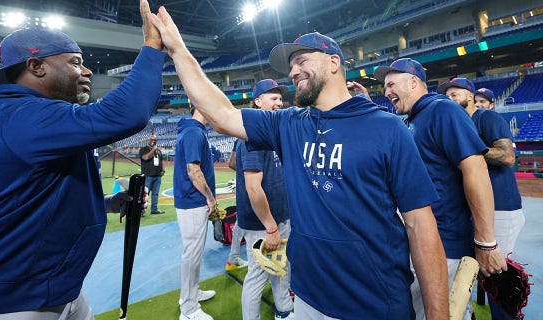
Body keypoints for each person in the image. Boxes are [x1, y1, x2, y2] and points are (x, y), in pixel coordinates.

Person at [150, 10, 448, 318]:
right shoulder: (289, 123)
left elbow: (421, 226)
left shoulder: (387, 128)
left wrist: (438, 314)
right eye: (290, 67)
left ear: (334, 63)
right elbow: (222, 115)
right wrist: (177, 49)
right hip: (306, 298)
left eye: (302, 61)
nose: (293, 71)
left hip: (373, 302)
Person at [0, 1, 165, 318]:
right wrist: (153, 47)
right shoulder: (21, 113)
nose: (86, 71)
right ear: (36, 66)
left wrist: (109, 202)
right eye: (75, 62)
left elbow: (40, 195)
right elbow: (127, 113)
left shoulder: (35, 117)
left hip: (47, 288)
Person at [373, 60, 507, 320]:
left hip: (446, 246)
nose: (386, 91)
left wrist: (486, 242)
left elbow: (476, 170)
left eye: (391, 84)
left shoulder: (443, 110)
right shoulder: (414, 118)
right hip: (425, 242)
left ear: (413, 81)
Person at [437, 78, 525, 320]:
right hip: (475, 209)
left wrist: (468, 151)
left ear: (471, 96)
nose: (450, 99)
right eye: (447, 95)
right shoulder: (457, 124)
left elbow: (507, 157)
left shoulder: (487, 118)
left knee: (495, 274)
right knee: (473, 270)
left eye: (455, 94)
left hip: (501, 209)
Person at [235, 79, 293, 320]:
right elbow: (253, 188)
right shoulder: (254, 136)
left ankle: (284, 311)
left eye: (280, 98)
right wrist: (270, 228)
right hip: (263, 225)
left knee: (281, 269)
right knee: (257, 276)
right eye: (273, 98)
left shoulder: (272, 132)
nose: (279, 103)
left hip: (279, 217)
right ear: (258, 102)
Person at [173, 106, 217, 320]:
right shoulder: (193, 132)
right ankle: (189, 308)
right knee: (192, 254)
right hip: (193, 202)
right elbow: (194, 171)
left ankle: (192, 292)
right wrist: (209, 197)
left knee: (194, 253)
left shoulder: (191, 130)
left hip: (190, 201)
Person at [225, 138, 248, 272]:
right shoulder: (260, 135)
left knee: (240, 223)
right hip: (258, 188)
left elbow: (232, 163)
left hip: (244, 188)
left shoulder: (238, 139)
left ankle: (233, 257)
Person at [139, 134, 166, 215]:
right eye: (151, 139)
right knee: (145, 194)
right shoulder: (143, 149)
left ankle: (154, 209)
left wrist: (163, 169)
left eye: (155, 140)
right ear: (148, 140)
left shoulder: (158, 151)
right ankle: (141, 211)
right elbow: (146, 157)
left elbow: (161, 160)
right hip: (147, 176)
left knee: (156, 193)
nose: (153, 141)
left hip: (157, 176)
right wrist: (153, 150)